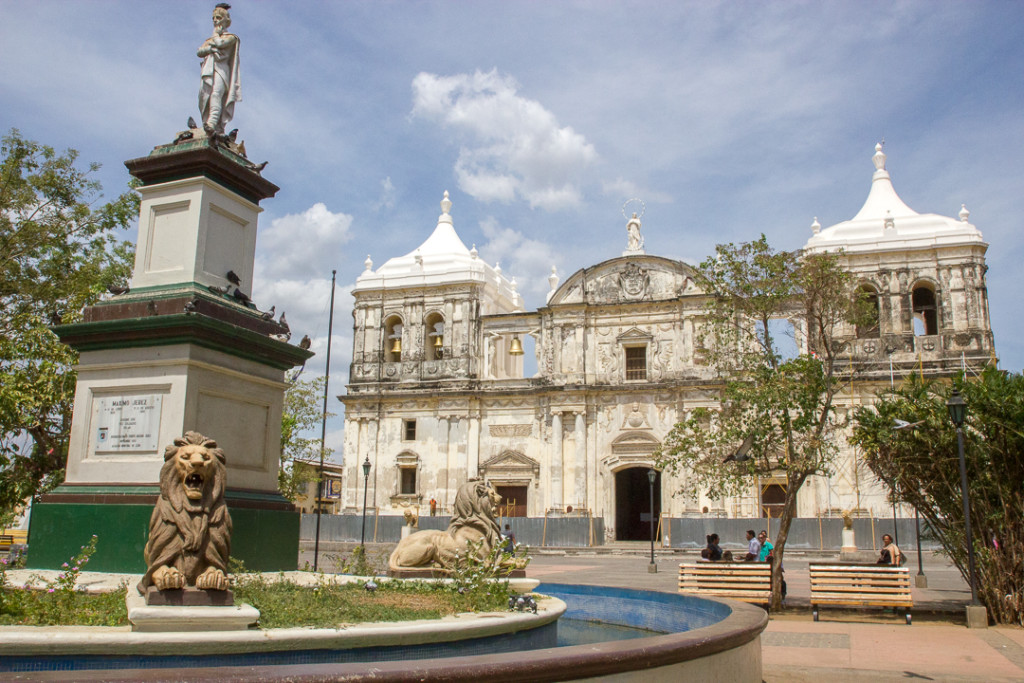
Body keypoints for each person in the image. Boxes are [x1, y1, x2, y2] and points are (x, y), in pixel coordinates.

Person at [197, 3, 241, 136]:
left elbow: (221, 44)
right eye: (214, 18)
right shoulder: (210, 39)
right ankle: (208, 123)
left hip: (222, 70)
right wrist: (210, 48)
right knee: (205, 97)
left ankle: (212, 124)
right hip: (208, 70)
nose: (215, 20)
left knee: (217, 94)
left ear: (225, 20)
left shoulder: (232, 37)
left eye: (218, 18)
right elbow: (199, 52)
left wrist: (215, 36)